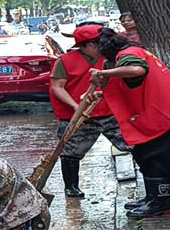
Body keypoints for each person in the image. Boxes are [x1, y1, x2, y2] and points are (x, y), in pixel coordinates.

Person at [88, 27, 170, 217]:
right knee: (145, 153)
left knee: (156, 155)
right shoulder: (126, 54)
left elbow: (137, 70)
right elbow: (127, 84)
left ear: (92, 45)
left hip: (165, 114)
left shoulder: (128, 54)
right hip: (162, 111)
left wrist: (103, 74)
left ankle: (162, 201)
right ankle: (154, 196)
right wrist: (101, 91)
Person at [50, 24, 132, 197]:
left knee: (136, 144)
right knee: (71, 152)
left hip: (111, 112)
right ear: (89, 45)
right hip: (78, 115)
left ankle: (155, 178)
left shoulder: (114, 58)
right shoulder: (64, 61)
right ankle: (71, 188)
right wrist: (75, 107)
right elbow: (57, 87)